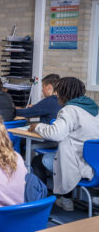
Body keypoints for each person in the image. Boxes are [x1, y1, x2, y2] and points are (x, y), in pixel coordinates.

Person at [29, 77, 99, 211]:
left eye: (58, 92)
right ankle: (66, 198)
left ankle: (43, 204)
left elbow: (55, 133)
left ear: (63, 93)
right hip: (94, 164)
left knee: (38, 161)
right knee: (59, 155)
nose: (56, 96)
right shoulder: (94, 109)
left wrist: (38, 126)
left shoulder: (69, 110)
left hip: (77, 164)